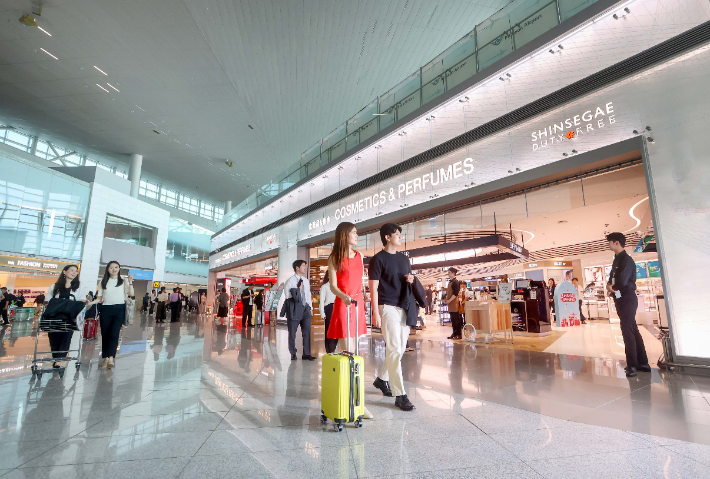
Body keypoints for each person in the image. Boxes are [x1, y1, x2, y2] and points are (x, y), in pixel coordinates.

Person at [369, 223, 416, 411]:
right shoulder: (377, 259)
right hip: (386, 307)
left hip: (403, 306)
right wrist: (375, 312)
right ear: (387, 237)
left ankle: (382, 379)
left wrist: (411, 279)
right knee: (395, 348)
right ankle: (400, 395)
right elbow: (373, 288)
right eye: (397, 234)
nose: (400, 237)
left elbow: (407, 279)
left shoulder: (405, 259)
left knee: (400, 349)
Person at [606, 232, 651, 377]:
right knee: (632, 329)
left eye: (610, 242)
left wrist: (611, 288)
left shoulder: (626, 260)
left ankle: (632, 365)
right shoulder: (617, 259)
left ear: (616, 242)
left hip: (627, 298)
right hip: (621, 298)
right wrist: (609, 287)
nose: (609, 245)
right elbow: (612, 277)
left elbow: (622, 281)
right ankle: (642, 362)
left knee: (627, 330)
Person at [93, 261, 134, 369]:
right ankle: (105, 357)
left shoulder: (123, 280)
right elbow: (99, 298)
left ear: (119, 268)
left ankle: (111, 358)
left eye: (116, 267)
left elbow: (131, 294)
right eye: (111, 267)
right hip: (105, 308)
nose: (114, 269)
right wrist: (89, 303)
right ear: (107, 269)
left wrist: (130, 282)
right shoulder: (103, 281)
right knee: (105, 333)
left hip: (119, 309)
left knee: (114, 333)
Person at [46, 264, 83, 368]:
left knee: (66, 337)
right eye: (72, 270)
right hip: (54, 316)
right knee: (54, 337)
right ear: (64, 272)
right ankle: (56, 358)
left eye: (76, 271)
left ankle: (60, 359)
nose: (74, 273)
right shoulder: (55, 286)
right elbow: (48, 300)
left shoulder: (78, 287)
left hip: (69, 316)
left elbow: (80, 300)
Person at [283, 260, 315, 360]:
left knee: (307, 331)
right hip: (294, 308)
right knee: (292, 332)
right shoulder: (290, 281)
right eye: (303, 266)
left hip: (306, 308)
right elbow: (288, 297)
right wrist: (298, 290)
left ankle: (307, 353)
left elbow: (308, 295)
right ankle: (293, 353)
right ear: (297, 268)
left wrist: (310, 307)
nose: (305, 268)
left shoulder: (306, 281)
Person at [319, 271, 337, 353]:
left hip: (338, 307)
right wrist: (322, 313)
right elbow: (322, 301)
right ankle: (329, 349)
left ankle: (334, 347)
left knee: (337, 329)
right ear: (328, 276)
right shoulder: (324, 287)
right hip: (329, 308)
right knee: (329, 329)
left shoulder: (339, 285)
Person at [445, 268, 462, 340]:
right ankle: (454, 333)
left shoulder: (456, 282)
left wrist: (449, 301)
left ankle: (458, 334)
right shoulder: (450, 282)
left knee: (456, 320)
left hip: (454, 304)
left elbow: (455, 294)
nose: (448, 274)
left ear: (453, 273)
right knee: (453, 319)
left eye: (449, 272)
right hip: (451, 304)